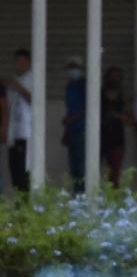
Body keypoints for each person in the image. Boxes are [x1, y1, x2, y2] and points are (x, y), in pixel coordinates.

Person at [3, 49, 33, 192]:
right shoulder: (13, 80)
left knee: (23, 173)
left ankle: (26, 203)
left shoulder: (32, 78)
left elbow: (35, 101)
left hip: (26, 134)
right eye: (17, 62)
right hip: (12, 134)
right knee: (14, 173)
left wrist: (18, 86)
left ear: (29, 62)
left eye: (22, 61)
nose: (19, 65)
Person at [101, 66, 133, 187]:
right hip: (98, 139)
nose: (114, 79)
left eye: (117, 77)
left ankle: (113, 201)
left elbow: (131, 120)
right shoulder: (98, 95)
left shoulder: (124, 98)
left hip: (116, 141)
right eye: (112, 76)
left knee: (114, 175)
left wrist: (117, 115)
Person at [62, 57, 86, 193]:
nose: (72, 70)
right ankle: (77, 197)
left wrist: (73, 118)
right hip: (72, 132)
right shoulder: (69, 86)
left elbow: (90, 107)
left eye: (74, 67)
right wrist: (66, 131)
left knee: (82, 168)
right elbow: (69, 110)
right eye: (70, 67)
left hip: (82, 130)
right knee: (74, 169)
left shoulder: (83, 85)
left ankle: (82, 196)